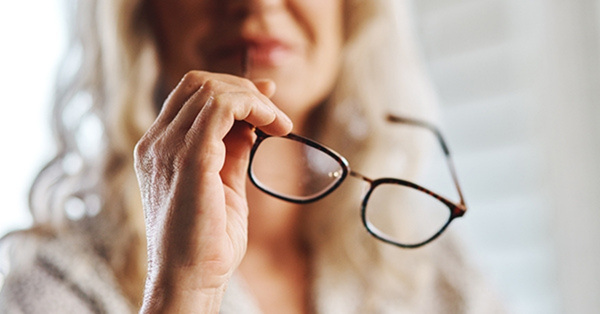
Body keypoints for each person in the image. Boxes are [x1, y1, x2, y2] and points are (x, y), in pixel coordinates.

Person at [0, 0, 503, 313]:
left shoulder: (433, 276)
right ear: (142, 15)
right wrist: (183, 290)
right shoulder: (52, 291)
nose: (256, 6)